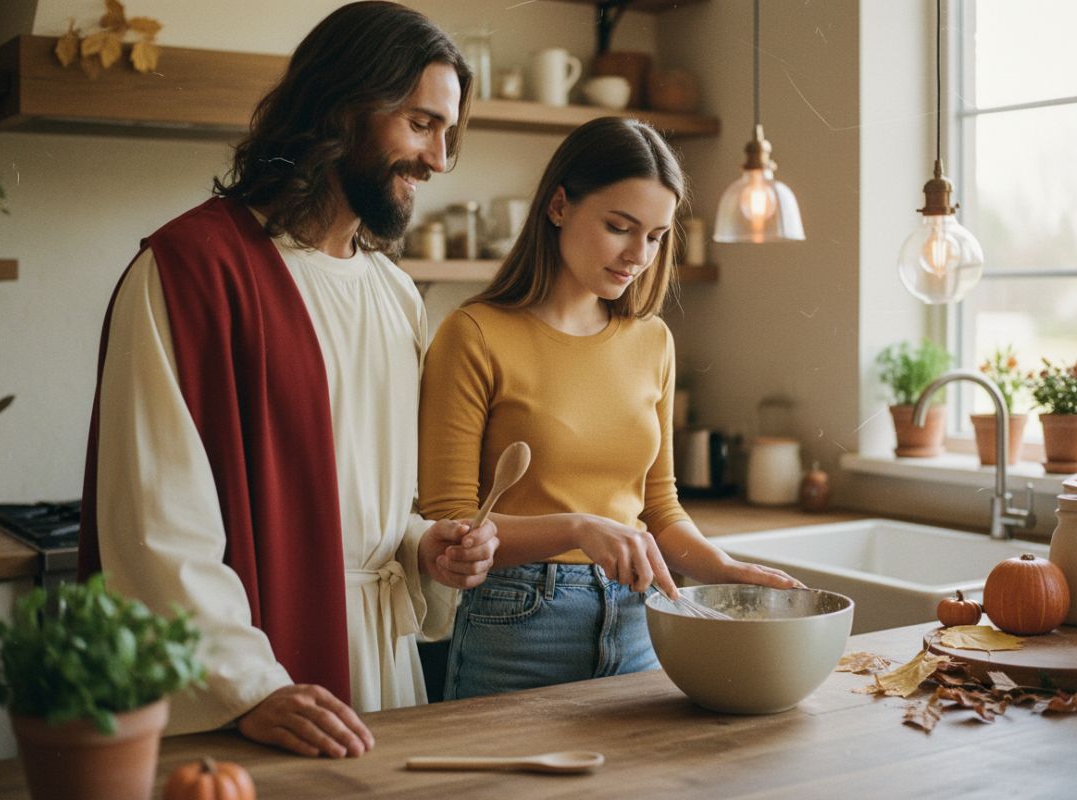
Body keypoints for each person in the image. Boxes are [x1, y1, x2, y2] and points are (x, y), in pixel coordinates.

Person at [78, 2, 499, 758]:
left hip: (383, 670)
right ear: (345, 106)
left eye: (448, 134)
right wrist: (252, 687)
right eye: (421, 124)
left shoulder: (395, 295)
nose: (439, 160)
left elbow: (376, 512)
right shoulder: (189, 275)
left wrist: (425, 547)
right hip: (258, 680)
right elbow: (154, 528)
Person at [418, 117, 801, 701]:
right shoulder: (473, 334)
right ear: (558, 206)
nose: (639, 254)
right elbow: (450, 522)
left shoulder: (653, 341)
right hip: (518, 626)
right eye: (620, 227)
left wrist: (724, 569)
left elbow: (660, 507)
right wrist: (576, 528)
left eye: (655, 236)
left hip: (638, 618)